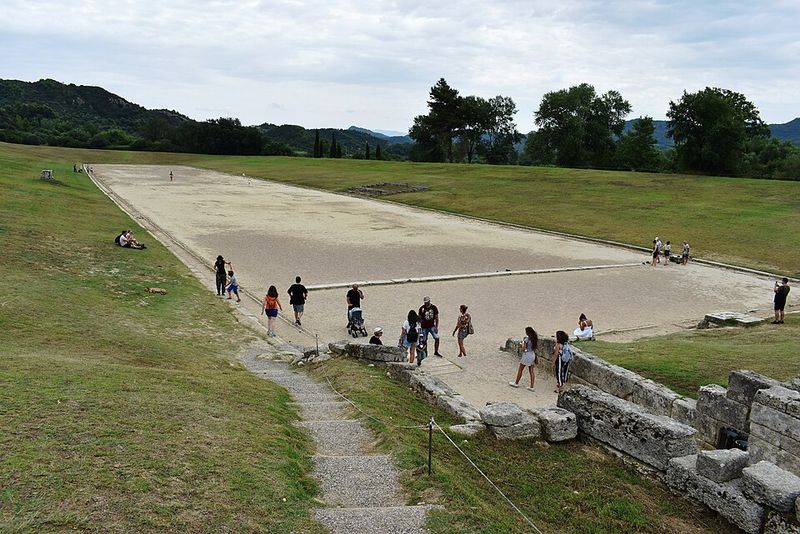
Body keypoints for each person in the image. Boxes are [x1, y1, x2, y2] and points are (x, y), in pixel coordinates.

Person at [509, 326, 538, 391]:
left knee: (520, 369)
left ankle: (516, 383)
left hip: (526, 355)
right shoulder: (535, 339)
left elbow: (523, 349)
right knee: (531, 371)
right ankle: (532, 386)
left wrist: (521, 345)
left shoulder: (526, 339)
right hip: (532, 354)